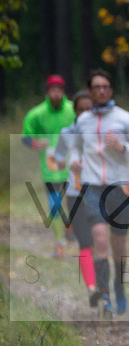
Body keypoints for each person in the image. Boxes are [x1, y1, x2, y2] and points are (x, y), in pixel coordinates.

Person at [69, 69, 129, 317]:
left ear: (111, 90)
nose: (101, 91)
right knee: (100, 240)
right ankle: (104, 295)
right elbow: (75, 147)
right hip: (92, 186)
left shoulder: (124, 118)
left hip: (121, 188)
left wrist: (123, 147)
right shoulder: (83, 121)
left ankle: (119, 286)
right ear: (90, 91)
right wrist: (75, 161)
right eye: (97, 87)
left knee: (118, 244)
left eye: (105, 86)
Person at [52, 90, 99, 305]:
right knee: (85, 241)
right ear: (75, 112)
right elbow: (58, 157)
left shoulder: (103, 133)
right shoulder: (67, 133)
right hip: (75, 194)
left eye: (89, 109)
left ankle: (103, 284)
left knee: (99, 239)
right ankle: (92, 288)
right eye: (81, 109)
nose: (85, 113)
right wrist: (62, 163)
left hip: (100, 193)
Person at [21, 74, 77, 257]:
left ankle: (70, 225)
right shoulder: (37, 113)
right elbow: (26, 136)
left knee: (74, 201)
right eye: (52, 90)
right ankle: (58, 243)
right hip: (50, 168)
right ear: (47, 92)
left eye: (59, 89)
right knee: (54, 205)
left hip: (72, 165)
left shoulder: (73, 109)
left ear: (63, 92)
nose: (56, 93)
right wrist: (35, 143)